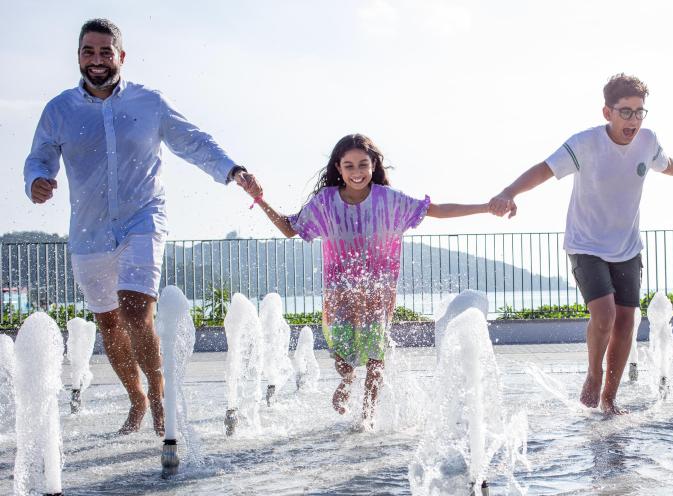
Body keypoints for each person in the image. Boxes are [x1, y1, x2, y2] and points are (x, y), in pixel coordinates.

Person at [23, 19, 256, 435]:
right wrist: (37, 180)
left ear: (121, 57)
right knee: (109, 323)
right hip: (88, 233)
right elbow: (39, 157)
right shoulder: (59, 110)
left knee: (135, 308)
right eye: (88, 52)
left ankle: (160, 395)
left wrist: (230, 169)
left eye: (105, 52)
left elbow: (192, 139)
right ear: (79, 56)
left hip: (143, 220)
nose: (97, 61)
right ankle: (138, 400)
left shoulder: (149, 102)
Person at [488, 73, 673, 414]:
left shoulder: (648, 141)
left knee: (626, 321)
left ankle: (609, 397)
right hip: (586, 244)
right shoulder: (585, 143)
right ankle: (594, 375)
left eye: (639, 112)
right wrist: (509, 192)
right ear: (607, 112)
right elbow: (544, 169)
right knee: (604, 315)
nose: (633, 120)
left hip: (627, 247)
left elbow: (666, 166)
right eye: (626, 112)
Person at [240, 134, 492, 424]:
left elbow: (437, 210)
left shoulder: (389, 200)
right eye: (349, 166)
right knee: (342, 354)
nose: (356, 172)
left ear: (374, 166)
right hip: (340, 293)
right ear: (339, 167)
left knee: (375, 356)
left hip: (378, 292)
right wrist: (258, 199)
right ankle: (346, 382)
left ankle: (367, 416)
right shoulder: (325, 203)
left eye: (363, 164)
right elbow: (289, 228)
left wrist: (486, 207)